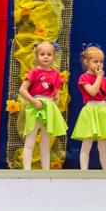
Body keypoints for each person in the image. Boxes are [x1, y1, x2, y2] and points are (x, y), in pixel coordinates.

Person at [19, 41, 68, 170]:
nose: (46, 57)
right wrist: (34, 101)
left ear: (53, 56)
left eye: (49, 54)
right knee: (30, 139)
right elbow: (22, 89)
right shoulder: (34, 72)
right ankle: (27, 170)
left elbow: (54, 90)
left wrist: (55, 99)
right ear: (37, 56)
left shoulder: (55, 73)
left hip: (49, 108)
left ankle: (46, 171)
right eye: (42, 54)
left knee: (46, 142)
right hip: (36, 107)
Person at [72, 44, 106, 170]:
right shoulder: (84, 77)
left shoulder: (104, 79)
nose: (99, 64)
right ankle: (84, 171)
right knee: (86, 145)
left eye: (101, 62)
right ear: (86, 62)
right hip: (90, 111)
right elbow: (92, 92)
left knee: (103, 147)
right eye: (95, 61)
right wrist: (99, 77)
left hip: (103, 112)